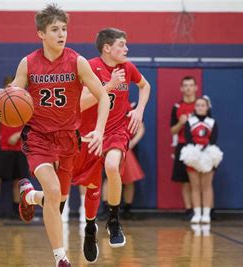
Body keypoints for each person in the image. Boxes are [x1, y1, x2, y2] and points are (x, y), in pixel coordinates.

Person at [11, 4, 110, 266]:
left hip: (68, 138)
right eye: (54, 29)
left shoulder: (77, 61)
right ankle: (61, 258)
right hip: (38, 138)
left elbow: (103, 97)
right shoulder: (28, 63)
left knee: (58, 199)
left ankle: (30, 196)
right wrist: (8, 98)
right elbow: (12, 96)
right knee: (53, 192)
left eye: (64, 29)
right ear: (41, 34)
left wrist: (99, 130)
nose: (61, 34)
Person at [72, 28, 150, 262]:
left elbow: (145, 86)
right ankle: (89, 228)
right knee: (91, 186)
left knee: (113, 167)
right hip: (91, 133)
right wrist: (109, 85)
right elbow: (81, 104)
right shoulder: (90, 67)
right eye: (121, 45)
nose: (126, 49)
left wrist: (139, 110)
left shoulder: (128, 67)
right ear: (107, 48)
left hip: (116, 130)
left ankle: (114, 221)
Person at [0, 77, 30, 219]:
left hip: (21, 150)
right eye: (8, 86)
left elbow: (32, 127)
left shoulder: (26, 104)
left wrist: (18, 134)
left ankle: (16, 212)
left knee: (19, 181)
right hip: (3, 149)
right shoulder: (0, 105)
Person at [180, 97, 222, 224]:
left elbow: (213, 139)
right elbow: (188, 138)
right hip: (193, 155)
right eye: (197, 105)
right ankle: (197, 214)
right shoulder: (190, 121)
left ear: (207, 107)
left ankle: (206, 214)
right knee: (195, 186)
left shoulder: (212, 122)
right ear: (195, 107)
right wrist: (197, 149)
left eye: (202, 105)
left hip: (209, 154)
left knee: (207, 186)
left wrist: (205, 148)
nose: (200, 107)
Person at [170, 76, 197, 217]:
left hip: (199, 146)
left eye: (191, 85)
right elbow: (172, 130)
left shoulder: (201, 105)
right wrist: (181, 123)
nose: (188, 88)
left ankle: (203, 211)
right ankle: (189, 209)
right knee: (185, 181)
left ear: (195, 87)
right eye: (185, 85)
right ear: (181, 88)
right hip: (182, 146)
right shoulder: (177, 107)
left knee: (200, 180)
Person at [121, 122, 145, 220]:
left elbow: (141, 127)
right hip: (109, 145)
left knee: (129, 180)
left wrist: (132, 142)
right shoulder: (106, 108)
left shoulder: (128, 109)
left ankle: (127, 210)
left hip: (126, 148)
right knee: (109, 179)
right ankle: (109, 211)